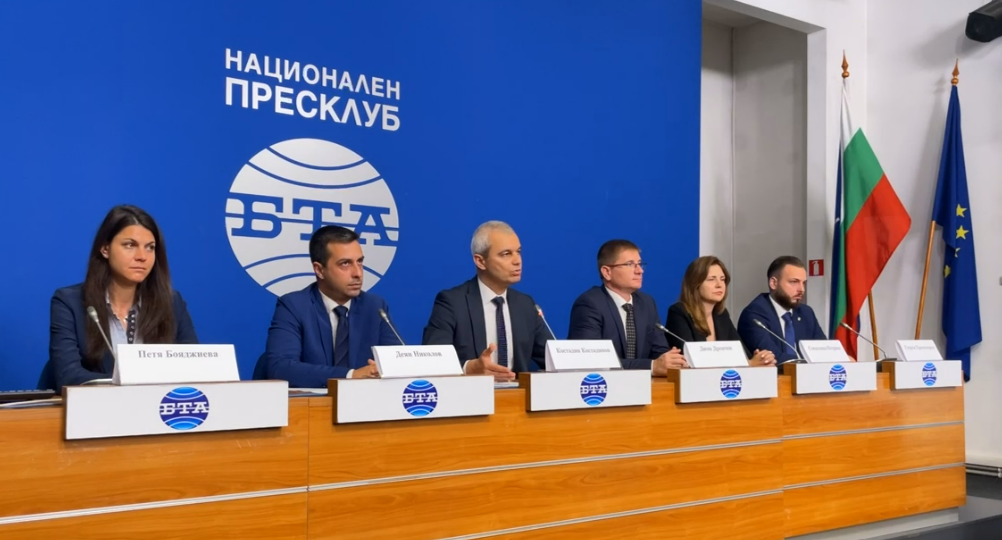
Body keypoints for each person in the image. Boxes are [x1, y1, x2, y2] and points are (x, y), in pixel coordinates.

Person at [48, 205, 198, 390]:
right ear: (105, 248)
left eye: (150, 247)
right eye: (130, 245)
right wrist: (131, 383)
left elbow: (194, 369)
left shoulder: (172, 304)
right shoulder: (70, 302)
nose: (142, 256)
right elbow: (68, 375)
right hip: (96, 405)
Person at [263, 225, 399, 388]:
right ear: (319, 270)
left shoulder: (374, 307)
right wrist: (350, 375)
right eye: (345, 264)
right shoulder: (294, 306)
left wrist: (384, 368)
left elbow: (398, 362)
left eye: (360, 262)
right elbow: (280, 367)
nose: (358, 273)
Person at [422, 221, 548, 381]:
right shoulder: (452, 303)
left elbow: (551, 358)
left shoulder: (525, 304)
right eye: (506, 254)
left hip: (516, 394)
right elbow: (433, 361)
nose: (517, 261)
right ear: (480, 261)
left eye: (518, 252)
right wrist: (469, 368)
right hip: (470, 394)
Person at [567, 240, 686, 376]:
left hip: (644, 384)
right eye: (630, 264)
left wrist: (671, 361)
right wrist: (652, 366)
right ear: (607, 272)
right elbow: (590, 360)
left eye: (639, 264)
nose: (640, 271)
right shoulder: (590, 304)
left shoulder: (646, 303)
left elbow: (658, 350)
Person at [665, 256, 776, 366]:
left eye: (722, 279)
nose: (719, 285)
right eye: (711, 279)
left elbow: (741, 353)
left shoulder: (721, 315)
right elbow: (690, 360)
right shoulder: (679, 312)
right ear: (695, 284)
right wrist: (749, 364)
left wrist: (759, 359)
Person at [737, 255, 827, 363]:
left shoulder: (806, 313)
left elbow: (823, 351)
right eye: (794, 282)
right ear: (774, 283)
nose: (801, 289)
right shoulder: (754, 315)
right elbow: (774, 359)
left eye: (803, 283)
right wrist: (811, 361)